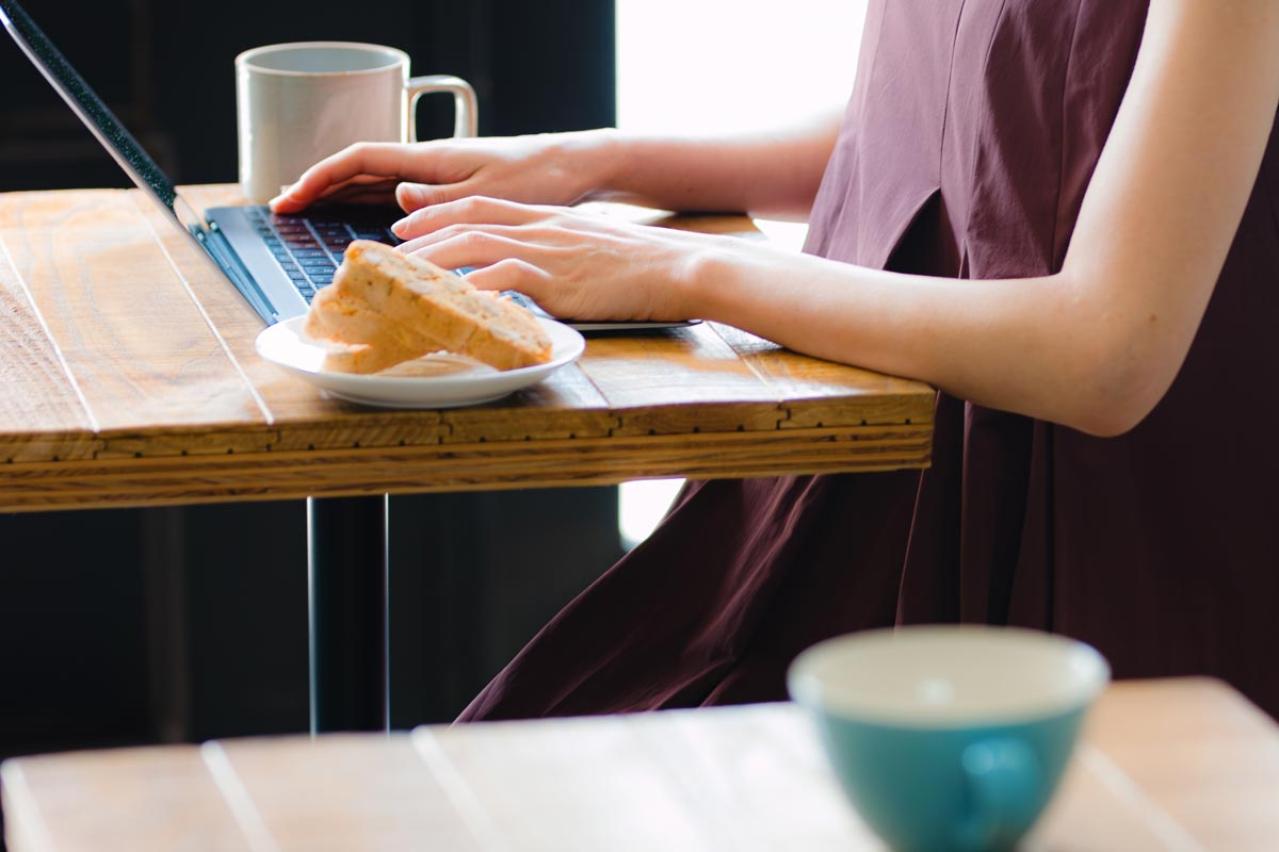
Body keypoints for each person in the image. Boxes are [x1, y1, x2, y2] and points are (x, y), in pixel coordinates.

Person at [273, 0, 1279, 719]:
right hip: (887, 479)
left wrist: (677, 268)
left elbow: (1106, 354)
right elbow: (932, 117)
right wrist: (591, 163)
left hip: (1104, 546)